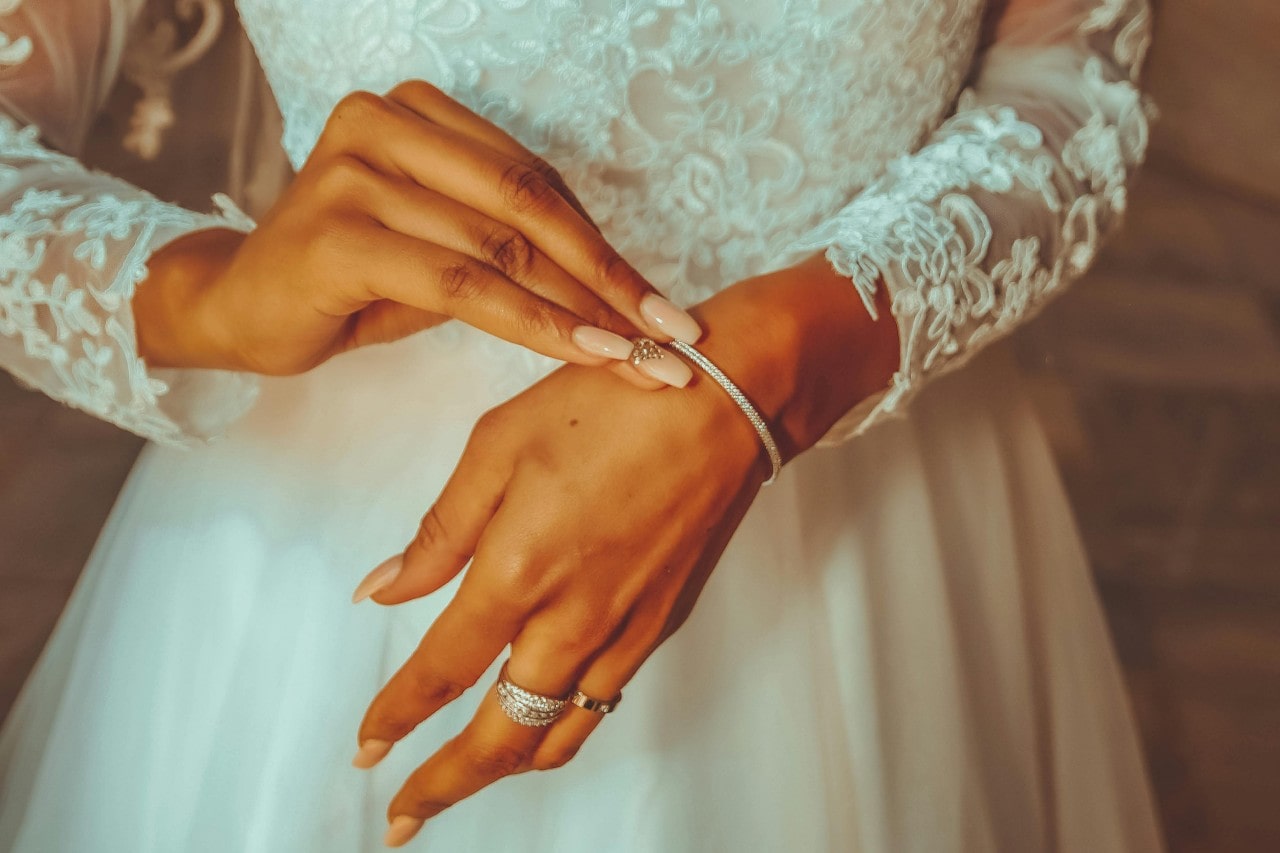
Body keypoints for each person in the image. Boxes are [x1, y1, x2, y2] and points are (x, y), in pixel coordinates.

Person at [0, 0, 1163, 850]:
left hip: (870, 507)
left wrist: (780, 361)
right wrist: (206, 291)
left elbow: (1070, 87)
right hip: (343, 552)